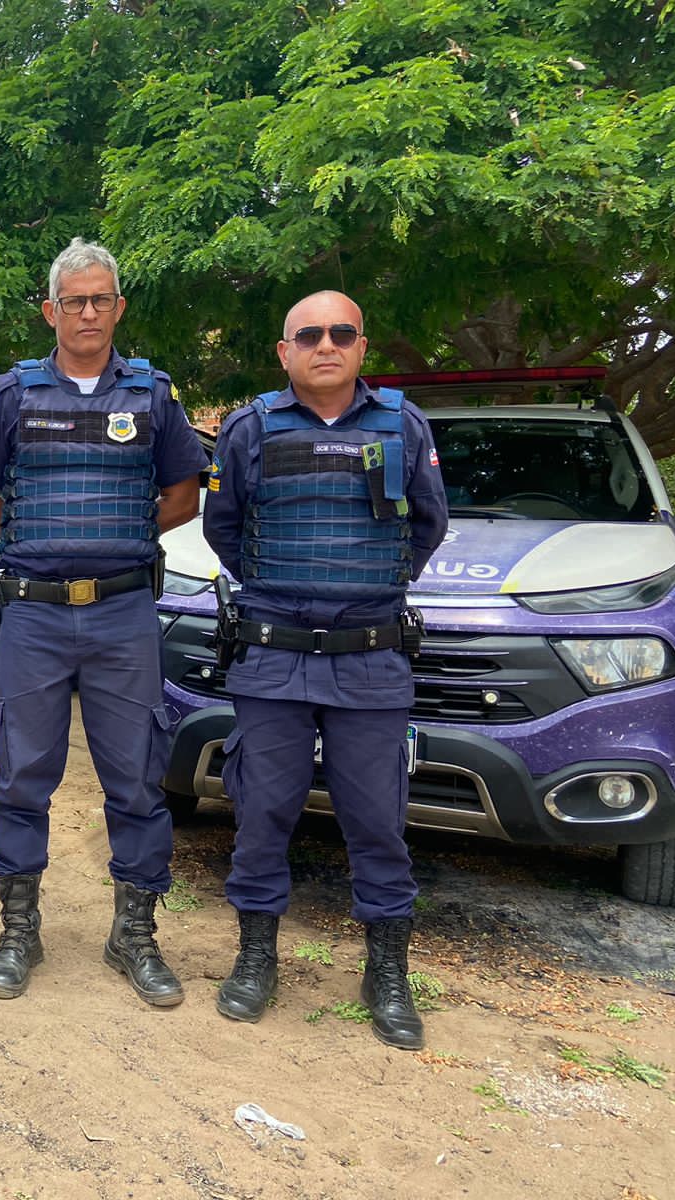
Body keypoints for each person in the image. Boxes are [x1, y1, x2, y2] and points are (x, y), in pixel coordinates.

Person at [0, 238, 207, 1004]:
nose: (88, 312)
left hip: (123, 615)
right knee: (22, 775)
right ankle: (18, 931)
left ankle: (134, 936)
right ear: (51, 311)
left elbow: (184, 492)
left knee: (135, 779)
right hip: (32, 616)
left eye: (100, 299)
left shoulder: (153, 395)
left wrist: (117, 543)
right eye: (74, 301)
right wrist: (41, 543)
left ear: (118, 307)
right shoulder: (13, 395)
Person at [202, 290, 449, 1049]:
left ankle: (387, 972)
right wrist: (284, 590)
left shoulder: (403, 425)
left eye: (342, 333)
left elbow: (428, 524)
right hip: (273, 657)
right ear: (285, 352)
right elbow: (224, 528)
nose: (326, 345)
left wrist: (364, 590)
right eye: (308, 335)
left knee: (376, 822)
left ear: (362, 347)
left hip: (370, 658)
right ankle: (255, 958)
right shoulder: (249, 429)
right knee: (262, 813)